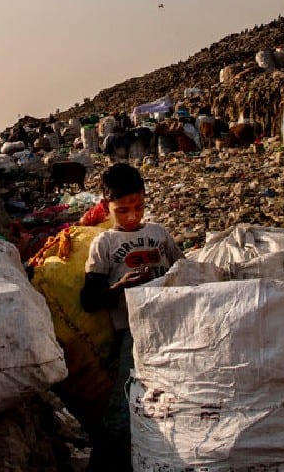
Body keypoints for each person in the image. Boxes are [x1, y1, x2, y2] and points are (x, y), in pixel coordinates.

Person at [80, 163, 183, 467]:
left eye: (138, 207)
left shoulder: (159, 234)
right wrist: (119, 287)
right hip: (134, 333)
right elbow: (90, 299)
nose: (132, 216)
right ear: (105, 207)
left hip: (173, 324)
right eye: (122, 210)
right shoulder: (105, 244)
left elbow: (183, 268)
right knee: (123, 408)